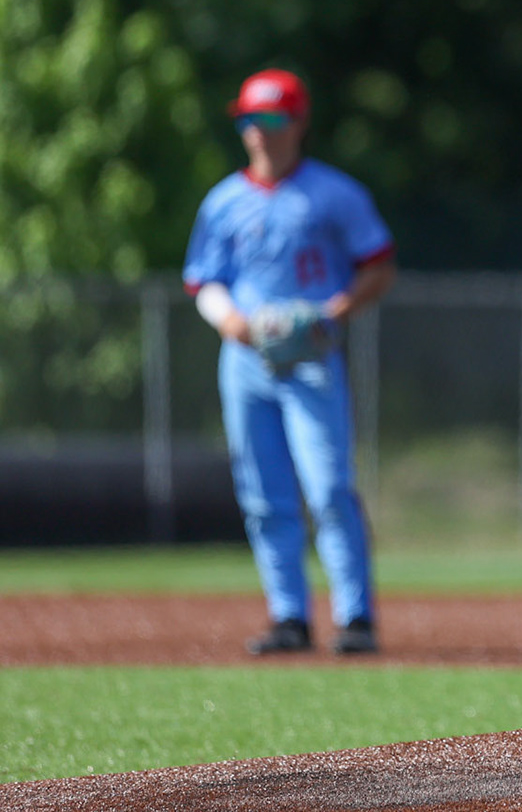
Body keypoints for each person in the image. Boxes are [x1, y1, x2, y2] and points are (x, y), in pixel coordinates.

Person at [183, 69, 397, 655]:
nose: (259, 132)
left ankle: (355, 617)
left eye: (272, 119)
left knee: (328, 488)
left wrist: (332, 312)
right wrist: (229, 319)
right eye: (250, 120)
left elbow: (378, 265)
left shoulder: (334, 194)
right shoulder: (225, 201)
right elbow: (203, 280)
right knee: (262, 494)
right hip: (246, 359)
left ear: (299, 122)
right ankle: (289, 617)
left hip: (310, 359)